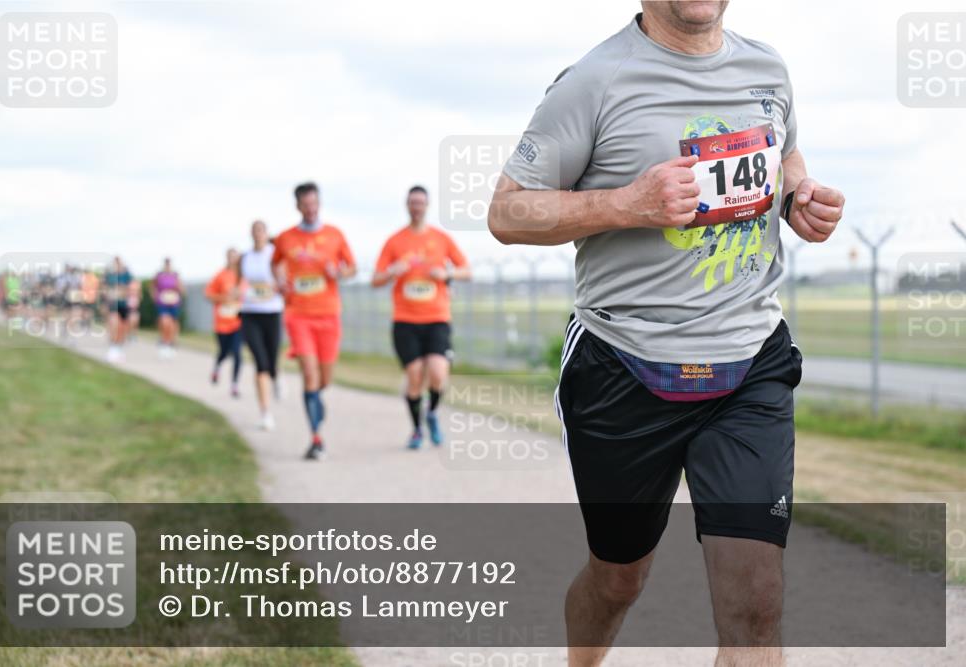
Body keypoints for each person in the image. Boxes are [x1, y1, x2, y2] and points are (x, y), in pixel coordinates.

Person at [488, 2, 846, 666]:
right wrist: (627, 203)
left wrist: (800, 198)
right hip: (624, 367)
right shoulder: (594, 81)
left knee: (755, 602)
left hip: (749, 363)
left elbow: (785, 156)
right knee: (619, 575)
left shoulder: (768, 69)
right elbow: (507, 211)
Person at [372, 185, 471, 449]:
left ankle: (432, 413)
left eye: (421, 203)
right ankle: (417, 429)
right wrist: (394, 270)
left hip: (437, 317)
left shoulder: (441, 239)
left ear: (427, 206)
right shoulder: (395, 241)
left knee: (438, 373)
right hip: (405, 320)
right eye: (413, 202)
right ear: (407, 205)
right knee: (415, 376)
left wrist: (446, 275)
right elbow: (376, 279)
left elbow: (466, 270)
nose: (417, 207)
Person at [273, 181, 356, 461]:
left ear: (319, 204)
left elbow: (352, 267)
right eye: (305, 205)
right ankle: (316, 438)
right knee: (309, 374)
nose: (310, 209)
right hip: (298, 315)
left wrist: (339, 272)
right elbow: (276, 264)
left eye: (314, 204)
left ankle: (315, 400)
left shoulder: (334, 235)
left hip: (329, 314)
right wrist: (280, 281)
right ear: (297, 206)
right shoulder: (286, 238)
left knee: (324, 379)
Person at [239, 220, 284, 430]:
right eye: (254, 230)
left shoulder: (275, 254)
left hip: (272, 311)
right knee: (260, 362)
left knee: (271, 358)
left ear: (267, 233)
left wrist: (279, 285)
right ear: (250, 234)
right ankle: (265, 412)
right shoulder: (245, 258)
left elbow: (284, 276)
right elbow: (239, 281)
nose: (258, 234)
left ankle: (276, 376)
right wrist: (238, 291)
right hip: (250, 313)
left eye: (261, 230)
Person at [205, 248, 244, 398]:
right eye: (230, 257)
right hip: (222, 322)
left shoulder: (243, 276)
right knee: (224, 352)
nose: (233, 260)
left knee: (237, 353)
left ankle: (235, 385)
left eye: (235, 257)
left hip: (238, 322)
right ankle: (217, 368)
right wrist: (224, 298)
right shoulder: (220, 275)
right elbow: (208, 294)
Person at [103, 256, 133, 362]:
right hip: (113, 304)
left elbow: (131, 288)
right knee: (114, 323)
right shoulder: (110, 276)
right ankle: (113, 347)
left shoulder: (126, 275)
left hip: (123, 304)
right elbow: (105, 289)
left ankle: (119, 347)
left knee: (122, 327)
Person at [152, 258, 182, 358]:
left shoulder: (175, 275)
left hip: (173, 302)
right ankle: (164, 342)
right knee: (165, 322)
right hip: (163, 302)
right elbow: (153, 287)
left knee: (172, 324)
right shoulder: (159, 275)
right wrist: (156, 297)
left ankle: (170, 343)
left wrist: (177, 289)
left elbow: (181, 289)